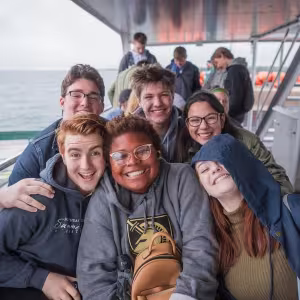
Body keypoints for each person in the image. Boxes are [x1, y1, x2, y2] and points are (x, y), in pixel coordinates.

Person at [77, 115, 218, 300]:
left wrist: (184, 296)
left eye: (142, 151)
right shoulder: (103, 199)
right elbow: (94, 274)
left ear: (157, 151)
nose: (133, 162)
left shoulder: (182, 178)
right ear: (109, 163)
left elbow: (201, 246)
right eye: (120, 156)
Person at [0, 114, 107, 300]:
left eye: (95, 152)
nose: (86, 165)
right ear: (62, 153)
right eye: (75, 154)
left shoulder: (113, 196)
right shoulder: (35, 197)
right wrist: (42, 279)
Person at [191, 134, 300, 300]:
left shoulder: (292, 209)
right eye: (204, 169)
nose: (214, 169)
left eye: (222, 160)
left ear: (242, 164)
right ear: (202, 186)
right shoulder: (208, 238)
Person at [0, 64, 105, 212]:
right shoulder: (39, 149)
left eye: (93, 96)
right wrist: (3, 197)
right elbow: (13, 197)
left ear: (102, 105)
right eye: (76, 94)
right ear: (62, 102)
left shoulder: (115, 137)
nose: (85, 102)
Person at [176, 90, 293, 195]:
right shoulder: (182, 148)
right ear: (187, 125)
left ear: (222, 120)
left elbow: (281, 183)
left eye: (210, 118)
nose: (203, 126)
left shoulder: (246, 141)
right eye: (195, 120)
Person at [131, 64, 184, 162]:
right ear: (139, 101)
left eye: (163, 95)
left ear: (172, 96)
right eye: (149, 97)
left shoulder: (190, 128)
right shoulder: (127, 132)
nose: (157, 103)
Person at [210, 47, 254, 124]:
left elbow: (235, 96)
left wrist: (225, 114)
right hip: (238, 115)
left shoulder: (234, 71)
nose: (217, 66)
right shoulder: (240, 69)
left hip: (233, 116)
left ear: (222, 55)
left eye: (217, 62)